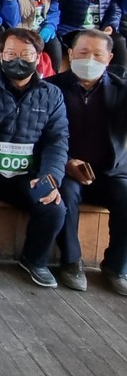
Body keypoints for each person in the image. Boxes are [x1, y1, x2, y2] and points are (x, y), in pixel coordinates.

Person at [0, 28, 69, 288]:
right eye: (11, 53)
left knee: (54, 208)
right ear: (0, 55)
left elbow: (57, 140)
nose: (18, 60)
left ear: (38, 56)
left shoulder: (52, 95)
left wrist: (51, 176)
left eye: (25, 54)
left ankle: (34, 260)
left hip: (28, 172)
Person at [49, 29, 127, 296]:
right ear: (71, 54)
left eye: (97, 54)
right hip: (67, 170)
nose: (89, 59)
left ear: (110, 58)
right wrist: (67, 162)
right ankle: (70, 262)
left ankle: (117, 266)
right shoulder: (51, 87)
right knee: (65, 196)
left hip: (110, 172)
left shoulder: (122, 90)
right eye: (83, 52)